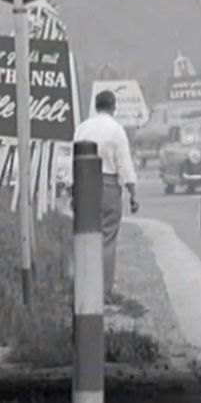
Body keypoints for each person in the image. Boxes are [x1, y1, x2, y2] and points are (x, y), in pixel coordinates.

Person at [74, 90, 139, 301]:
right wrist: (133, 194)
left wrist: (71, 189)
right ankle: (104, 290)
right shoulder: (116, 130)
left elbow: (71, 159)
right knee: (107, 237)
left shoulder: (82, 128)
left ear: (95, 105)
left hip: (84, 184)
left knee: (85, 236)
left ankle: (84, 286)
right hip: (108, 184)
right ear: (113, 107)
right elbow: (124, 164)